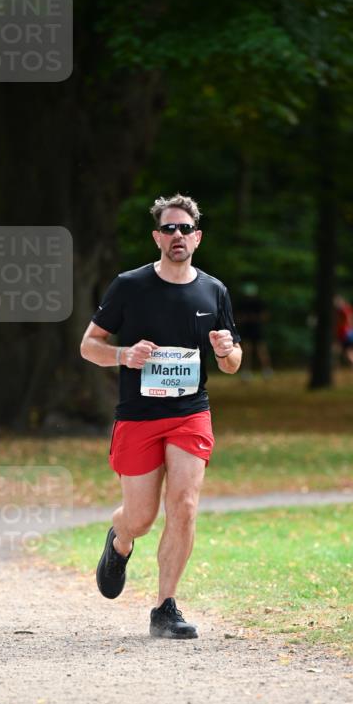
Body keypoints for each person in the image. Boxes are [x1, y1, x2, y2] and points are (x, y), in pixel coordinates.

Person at [80, 193, 242, 638]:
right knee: (141, 517)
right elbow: (88, 345)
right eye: (168, 228)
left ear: (197, 237)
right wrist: (123, 355)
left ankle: (165, 608)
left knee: (185, 505)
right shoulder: (130, 286)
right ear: (156, 237)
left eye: (184, 229)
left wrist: (228, 352)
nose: (177, 235)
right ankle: (119, 539)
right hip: (138, 416)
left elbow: (232, 360)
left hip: (191, 413)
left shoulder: (214, 290)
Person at [236, 280, 273, 380]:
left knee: (261, 350)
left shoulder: (259, 302)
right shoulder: (242, 303)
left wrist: (254, 318)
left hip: (257, 329)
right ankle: (246, 372)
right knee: (246, 351)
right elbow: (239, 318)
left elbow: (265, 316)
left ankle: (266, 370)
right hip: (247, 330)